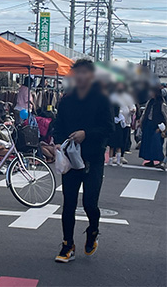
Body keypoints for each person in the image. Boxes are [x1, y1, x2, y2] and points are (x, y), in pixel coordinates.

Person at [52, 59, 114, 263]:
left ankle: (93, 230)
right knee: (68, 203)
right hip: (70, 159)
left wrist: (86, 134)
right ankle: (67, 244)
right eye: (76, 73)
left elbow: (108, 129)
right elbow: (58, 125)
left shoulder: (102, 99)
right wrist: (59, 143)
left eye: (84, 73)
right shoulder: (67, 100)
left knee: (90, 203)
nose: (80, 77)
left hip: (93, 158)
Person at [139, 86, 167, 168]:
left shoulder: (162, 104)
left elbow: (166, 116)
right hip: (148, 124)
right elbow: (145, 113)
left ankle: (161, 160)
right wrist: (141, 121)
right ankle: (150, 160)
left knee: (156, 143)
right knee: (148, 142)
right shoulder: (150, 102)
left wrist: (164, 129)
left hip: (157, 126)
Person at [110, 83, 136, 160]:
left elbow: (132, 106)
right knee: (115, 139)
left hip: (126, 121)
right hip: (116, 121)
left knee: (124, 139)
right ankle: (114, 156)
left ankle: (121, 156)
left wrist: (133, 110)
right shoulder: (113, 96)